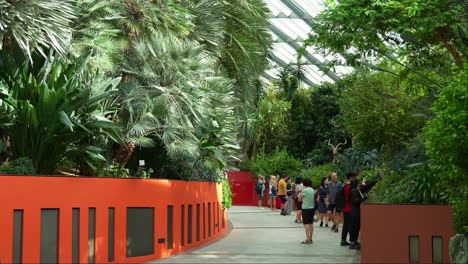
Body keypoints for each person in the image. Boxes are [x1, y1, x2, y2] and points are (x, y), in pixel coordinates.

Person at [349, 178, 367, 250]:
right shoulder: (353, 191)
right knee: (354, 227)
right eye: (358, 183)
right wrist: (364, 198)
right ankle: (353, 242)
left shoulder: (357, 191)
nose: (360, 184)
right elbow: (356, 201)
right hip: (354, 213)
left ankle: (354, 241)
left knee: (356, 227)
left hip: (356, 212)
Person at [340, 172, 356, 246]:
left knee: (346, 225)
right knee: (350, 225)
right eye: (353, 177)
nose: (355, 179)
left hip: (345, 208)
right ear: (350, 178)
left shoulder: (345, 186)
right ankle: (352, 241)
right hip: (349, 208)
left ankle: (343, 240)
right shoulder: (349, 187)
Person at [298, 178, 315, 244]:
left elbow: (299, 199)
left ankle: (307, 239)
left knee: (306, 223)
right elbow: (313, 200)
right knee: (311, 223)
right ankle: (310, 238)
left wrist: (300, 196)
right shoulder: (312, 190)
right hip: (311, 208)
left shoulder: (304, 190)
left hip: (305, 208)